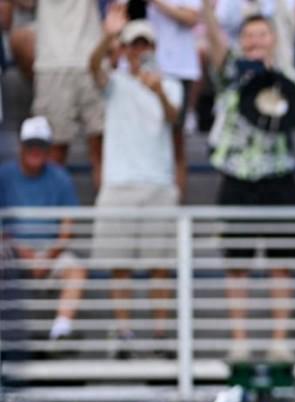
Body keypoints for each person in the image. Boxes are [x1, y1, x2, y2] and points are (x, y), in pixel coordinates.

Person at [203, 0, 295, 362]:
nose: (255, 41)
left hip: (279, 175)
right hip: (237, 176)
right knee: (237, 263)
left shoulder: (290, 78)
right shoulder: (229, 73)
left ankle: (279, 341)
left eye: (262, 34)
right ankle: (240, 341)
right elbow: (215, 42)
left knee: (282, 263)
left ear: (273, 39)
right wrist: (207, 10)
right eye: (248, 35)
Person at [89, 13, 182, 359]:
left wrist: (157, 91)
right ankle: (124, 333)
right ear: (124, 49)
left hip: (159, 184)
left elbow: (174, 118)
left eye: (144, 45)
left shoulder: (171, 84)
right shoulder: (113, 82)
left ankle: (160, 336)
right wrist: (107, 36)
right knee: (120, 265)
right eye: (133, 45)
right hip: (118, 184)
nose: (139, 51)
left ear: (153, 48)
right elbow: (91, 66)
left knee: (161, 266)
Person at [0, 117, 85, 351]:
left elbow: (68, 228)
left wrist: (48, 256)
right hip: (13, 251)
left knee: (76, 269)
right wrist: (23, 252)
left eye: (40, 145)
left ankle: (61, 332)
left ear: (48, 149)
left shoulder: (61, 178)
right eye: (30, 145)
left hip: (52, 252)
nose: (35, 150)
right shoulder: (4, 176)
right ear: (21, 146)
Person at [31, 0, 104, 189]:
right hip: (52, 64)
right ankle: (52, 207)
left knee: (103, 153)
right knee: (54, 152)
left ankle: (107, 209)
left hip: (92, 60)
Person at [145, 0, 201, 199]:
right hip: (144, 68)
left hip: (178, 69)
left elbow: (192, 17)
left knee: (176, 142)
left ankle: (177, 207)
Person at [215, 0, 295, 77]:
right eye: (250, 36)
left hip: (281, 62)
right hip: (240, 65)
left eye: (261, 35)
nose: (256, 41)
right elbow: (219, 27)